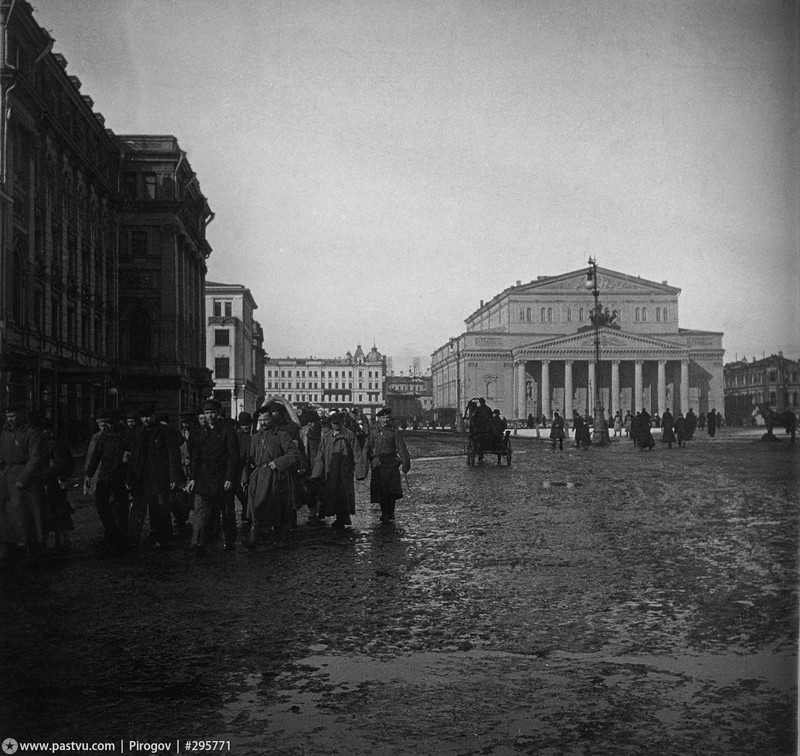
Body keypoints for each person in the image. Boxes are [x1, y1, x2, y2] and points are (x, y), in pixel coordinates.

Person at [241, 402, 302, 548]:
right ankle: (256, 538)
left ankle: (278, 538)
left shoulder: (282, 435)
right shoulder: (254, 438)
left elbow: (294, 454)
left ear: (272, 419)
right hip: (258, 478)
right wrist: (244, 477)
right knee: (257, 508)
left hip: (276, 478)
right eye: (260, 420)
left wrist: (278, 462)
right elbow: (248, 460)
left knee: (276, 509)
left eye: (266, 420)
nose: (263, 423)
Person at [186, 399, 240, 552]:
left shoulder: (228, 431)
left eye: (213, 413)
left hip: (222, 478)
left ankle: (229, 541)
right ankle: (197, 542)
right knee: (200, 511)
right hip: (204, 478)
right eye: (207, 413)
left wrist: (229, 478)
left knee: (227, 512)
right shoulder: (201, 432)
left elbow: (233, 457)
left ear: (219, 414)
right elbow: (196, 457)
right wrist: (192, 478)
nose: (210, 416)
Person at [127, 403, 182, 549]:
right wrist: (130, 477)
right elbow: (133, 458)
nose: (145, 420)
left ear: (153, 416)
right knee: (137, 508)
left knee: (160, 507)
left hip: (159, 477)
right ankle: (132, 540)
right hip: (141, 478)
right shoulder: (137, 433)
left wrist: (174, 477)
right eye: (143, 417)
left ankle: (163, 537)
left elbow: (173, 454)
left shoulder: (164, 431)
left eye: (148, 416)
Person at [0, 403, 45, 563]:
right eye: (8, 416)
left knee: (27, 516)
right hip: (6, 478)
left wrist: (23, 479)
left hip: (25, 480)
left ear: (21, 415)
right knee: (5, 515)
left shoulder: (32, 433)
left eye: (13, 416)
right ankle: (9, 547)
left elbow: (35, 458)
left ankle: (31, 548)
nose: (10, 419)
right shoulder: (5, 432)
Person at [84, 408, 130, 550]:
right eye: (106, 423)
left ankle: (122, 537)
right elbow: (96, 455)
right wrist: (89, 475)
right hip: (105, 476)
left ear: (118, 421)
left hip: (121, 477)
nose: (108, 426)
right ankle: (111, 533)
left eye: (110, 423)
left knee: (121, 508)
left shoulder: (127, 435)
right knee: (101, 504)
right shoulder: (104, 435)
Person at [311, 411, 365, 530]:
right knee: (330, 494)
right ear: (331, 424)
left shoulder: (349, 435)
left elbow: (357, 453)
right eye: (333, 423)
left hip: (344, 472)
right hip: (330, 472)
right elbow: (320, 455)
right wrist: (316, 473)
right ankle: (332, 515)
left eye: (338, 423)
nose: (336, 425)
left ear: (342, 422)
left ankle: (342, 519)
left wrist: (360, 472)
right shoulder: (326, 437)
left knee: (343, 495)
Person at [362, 407, 411, 523]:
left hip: (391, 465)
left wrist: (406, 464)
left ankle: (390, 512)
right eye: (383, 418)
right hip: (377, 464)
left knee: (391, 490)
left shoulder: (394, 432)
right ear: (379, 419)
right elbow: (366, 449)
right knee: (380, 490)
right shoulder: (373, 432)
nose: (385, 420)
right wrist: (365, 465)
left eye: (387, 418)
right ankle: (384, 512)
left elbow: (402, 449)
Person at [36, 416, 75, 557]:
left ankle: (56, 543)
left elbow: (64, 463)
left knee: (53, 512)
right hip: (48, 482)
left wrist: (53, 475)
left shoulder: (50, 444)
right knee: (54, 512)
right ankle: (59, 542)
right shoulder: (51, 443)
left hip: (50, 483)